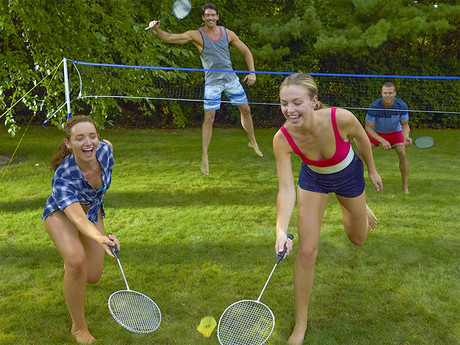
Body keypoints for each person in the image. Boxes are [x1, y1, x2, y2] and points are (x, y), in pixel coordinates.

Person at [273, 74, 383, 345]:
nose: (290, 109)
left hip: (349, 175)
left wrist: (372, 170)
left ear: (313, 102)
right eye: (284, 103)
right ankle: (300, 325)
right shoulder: (282, 138)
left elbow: (362, 139)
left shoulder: (340, 118)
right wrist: (280, 230)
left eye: (297, 102)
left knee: (358, 239)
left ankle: (356, 205)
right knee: (307, 251)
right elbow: (286, 189)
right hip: (314, 180)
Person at [148, 2, 263, 175]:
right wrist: (156, 30)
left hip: (230, 79)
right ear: (203, 18)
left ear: (217, 17)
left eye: (213, 15)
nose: (210, 18)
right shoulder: (197, 35)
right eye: (207, 15)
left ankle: (252, 141)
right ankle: (205, 157)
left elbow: (246, 51)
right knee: (209, 117)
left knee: (245, 109)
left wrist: (252, 73)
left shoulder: (227, 33)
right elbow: (171, 38)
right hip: (213, 83)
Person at [42, 115, 120, 344]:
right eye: (79, 138)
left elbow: (108, 144)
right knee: (76, 261)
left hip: (92, 208)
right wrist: (101, 238)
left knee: (93, 276)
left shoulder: (104, 151)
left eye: (92, 136)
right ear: (68, 143)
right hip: (62, 214)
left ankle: (72, 276)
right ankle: (79, 327)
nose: (88, 143)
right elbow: (76, 218)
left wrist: (99, 238)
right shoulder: (63, 176)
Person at [365, 81, 412, 194]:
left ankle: (405, 187)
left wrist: (406, 137)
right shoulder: (374, 106)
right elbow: (368, 128)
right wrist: (382, 141)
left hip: (395, 132)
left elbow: (405, 125)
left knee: (402, 153)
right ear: (381, 93)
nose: (388, 95)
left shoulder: (402, 105)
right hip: (377, 133)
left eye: (390, 93)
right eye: (385, 93)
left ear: (395, 93)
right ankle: (355, 184)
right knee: (362, 153)